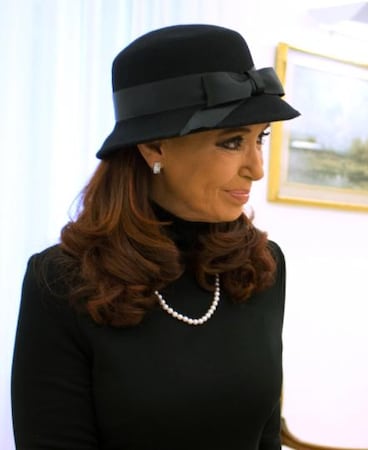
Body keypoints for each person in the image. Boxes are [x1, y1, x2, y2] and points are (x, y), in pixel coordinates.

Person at [11, 24, 299, 449]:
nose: (256, 167)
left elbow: (265, 437)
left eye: (261, 138)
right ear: (155, 148)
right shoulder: (62, 281)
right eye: (233, 142)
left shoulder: (260, 266)